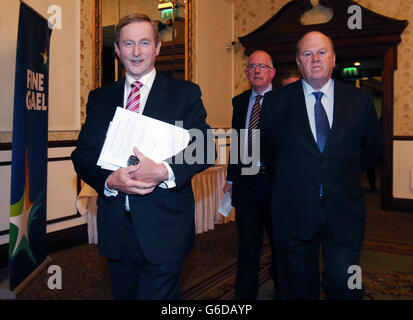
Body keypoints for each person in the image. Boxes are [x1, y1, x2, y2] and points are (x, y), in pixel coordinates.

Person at [71, 13, 214, 300]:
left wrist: (164, 171)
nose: (136, 52)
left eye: (144, 43)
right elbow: (82, 154)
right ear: (118, 51)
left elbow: (204, 147)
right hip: (116, 231)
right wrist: (110, 180)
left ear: (157, 48)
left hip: (165, 228)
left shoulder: (184, 94)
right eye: (128, 44)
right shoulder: (100, 98)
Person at [260, 31, 381, 300]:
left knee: (344, 286)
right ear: (299, 62)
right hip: (293, 212)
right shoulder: (275, 103)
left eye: (322, 52)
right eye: (307, 53)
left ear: (334, 59)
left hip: (344, 211)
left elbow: (371, 150)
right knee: (297, 290)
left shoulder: (359, 101)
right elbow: (268, 155)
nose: (315, 58)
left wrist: (337, 174)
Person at [223, 50, 278, 299]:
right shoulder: (240, 101)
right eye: (252, 66)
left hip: (277, 186)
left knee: (281, 245)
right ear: (246, 72)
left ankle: (284, 291)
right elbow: (237, 143)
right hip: (246, 185)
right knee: (247, 247)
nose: (257, 70)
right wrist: (230, 179)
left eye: (263, 66)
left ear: (272, 72)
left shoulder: (285, 100)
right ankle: (244, 299)